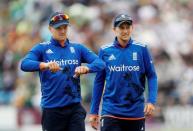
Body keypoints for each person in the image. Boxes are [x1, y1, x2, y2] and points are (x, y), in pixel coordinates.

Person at [20, 11, 105, 131]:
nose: (62, 31)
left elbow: (100, 63)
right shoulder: (42, 48)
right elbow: (24, 64)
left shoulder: (77, 48)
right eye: (58, 28)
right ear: (50, 29)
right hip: (52, 110)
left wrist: (87, 68)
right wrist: (45, 65)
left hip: (74, 108)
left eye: (65, 27)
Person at [89, 14, 158, 131]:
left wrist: (151, 101)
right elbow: (99, 82)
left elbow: (152, 76)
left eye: (128, 27)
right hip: (110, 111)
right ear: (114, 30)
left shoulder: (141, 49)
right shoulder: (105, 51)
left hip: (136, 111)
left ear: (132, 28)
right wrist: (93, 111)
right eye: (121, 27)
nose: (125, 31)